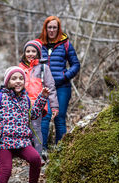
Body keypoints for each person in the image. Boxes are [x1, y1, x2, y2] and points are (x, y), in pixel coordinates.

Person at [36, 16, 80, 150]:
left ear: (58, 28)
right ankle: (41, 149)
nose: (52, 30)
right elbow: (30, 61)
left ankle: (60, 150)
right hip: (43, 88)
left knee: (59, 117)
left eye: (54, 27)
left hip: (62, 87)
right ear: (45, 28)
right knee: (45, 115)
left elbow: (76, 64)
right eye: (49, 27)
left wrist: (64, 76)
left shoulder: (65, 44)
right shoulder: (39, 44)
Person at [19, 40, 58, 159]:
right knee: (23, 128)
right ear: (24, 53)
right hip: (22, 104)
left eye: (33, 51)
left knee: (36, 128)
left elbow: (51, 87)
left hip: (38, 104)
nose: (30, 54)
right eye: (28, 51)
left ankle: (38, 155)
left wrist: (54, 106)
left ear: (38, 53)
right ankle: (25, 154)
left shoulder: (43, 68)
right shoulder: (20, 68)